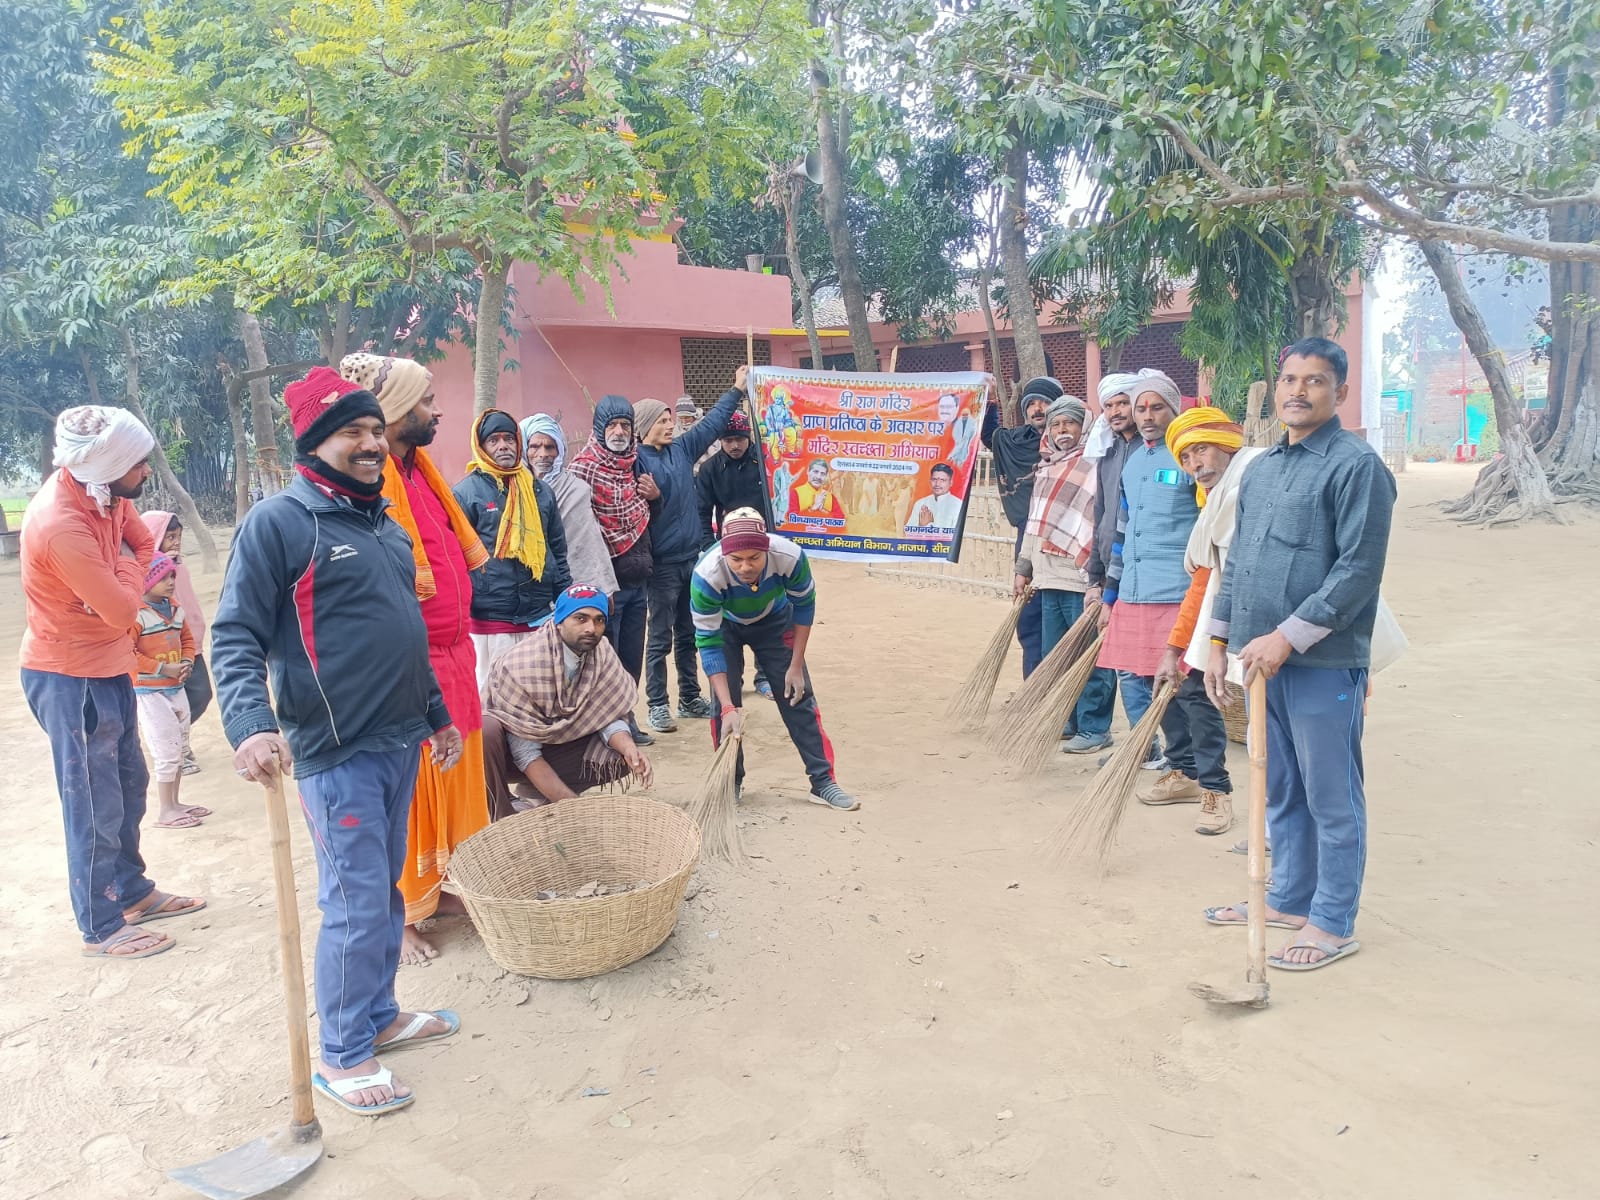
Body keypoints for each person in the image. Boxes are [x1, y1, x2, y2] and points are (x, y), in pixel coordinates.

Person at [212, 365, 464, 1116]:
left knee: (380, 890)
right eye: (350, 433)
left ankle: (377, 1014)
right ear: (316, 441)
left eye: (372, 430)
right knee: (354, 901)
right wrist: (252, 725)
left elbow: (405, 633)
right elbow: (234, 634)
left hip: (397, 739)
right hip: (334, 748)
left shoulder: (381, 521)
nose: (368, 444)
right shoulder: (281, 523)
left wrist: (437, 714)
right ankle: (344, 1054)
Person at [1203, 338, 1396, 972]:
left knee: (1331, 796)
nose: (1297, 391)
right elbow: (1237, 564)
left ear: (1339, 393)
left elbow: (1358, 570)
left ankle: (1333, 921)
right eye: (1289, 378)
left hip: (1320, 662)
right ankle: (1288, 897)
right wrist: (1218, 642)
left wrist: (1289, 636)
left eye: (1314, 381)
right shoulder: (1259, 469)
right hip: (1258, 663)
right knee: (1278, 787)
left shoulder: (1356, 466)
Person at [20, 406, 204, 960]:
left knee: (128, 786)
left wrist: (128, 566)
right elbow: (127, 607)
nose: (146, 473)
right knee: (93, 805)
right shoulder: (61, 524)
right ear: (106, 464)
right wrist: (129, 574)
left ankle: (131, 892)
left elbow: (140, 542)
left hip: (110, 668)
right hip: (68, 679)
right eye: (138, 463)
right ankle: (101, 926)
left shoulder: (107, 492)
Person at [340, 351, 490, 965]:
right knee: (409, 790)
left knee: (456, 777)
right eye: (426, 401)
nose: (437, 410)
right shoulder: (371, 489)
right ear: (395, 412)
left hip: (453, 653)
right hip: (410, 662)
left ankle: (439, 886)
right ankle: (399, 915)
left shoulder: (421, 470)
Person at [692, 509, 857, 811]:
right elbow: (708, 643)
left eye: (754, 557)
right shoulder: (706, 575)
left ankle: (823, 782)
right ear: (724, 554)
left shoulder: (790, 557)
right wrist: (729, 706)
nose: (745, 567)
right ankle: (730, 781)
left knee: (798, 697)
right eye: (736, 559)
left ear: (767, 548)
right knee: (722, 709)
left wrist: (796, 666)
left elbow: (804, 607)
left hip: (774, 618)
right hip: (725, 627)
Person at [1147, 406, 1250, 835]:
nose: (1194, 466)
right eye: (1185, 458)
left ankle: (1219, 795)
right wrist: (1175, 648)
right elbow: (1205, 582)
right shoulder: (1212, 501)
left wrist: (1208, 646)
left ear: (1226, 446)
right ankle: (1200, 783)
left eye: (1202, 450)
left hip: (1263, 620)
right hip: (1221, 615)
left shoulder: (1246, 484)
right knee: (1191, 689)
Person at [1097, 370, 1200, 791]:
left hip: (1177, 588)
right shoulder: (1134, 461)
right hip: (1136, 592)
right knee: (1145, 677)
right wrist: (1110, 594)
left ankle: (1195, 771)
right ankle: (1178, 764)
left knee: (1184, 684)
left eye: (1156, 407)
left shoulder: (1190, 456)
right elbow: (1121, 532)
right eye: (1141, 408)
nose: (1147, 416)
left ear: (1174, 409)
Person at [633, 372, 744, 734]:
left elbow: (713, 424)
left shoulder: (681, 449)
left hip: (690, 559)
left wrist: (736, 389)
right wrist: (653, 498)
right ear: (646, 426)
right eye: (663, 421)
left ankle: (689, 697)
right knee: (660, 636)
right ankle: (658, 704)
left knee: (688, 633)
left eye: (670, 420)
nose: (670, 425)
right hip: (661, 565)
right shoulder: (635, 463)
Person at [482, 585, 654, 817]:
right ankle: (502, 813)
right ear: (559, 621)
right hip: (509, 757)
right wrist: (574, 807)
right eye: (580, 618)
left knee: (620, 756)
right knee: (486, 729)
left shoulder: (601, 652)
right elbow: (525, 753)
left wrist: (629, 748)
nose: (591, 628)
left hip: (554, 744)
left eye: (598, 620)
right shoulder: (523, 664)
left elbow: (608, 716)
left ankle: (540, 797)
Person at [1011, 395, 1118, 750]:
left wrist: (1099, 576)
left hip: (1081, 577)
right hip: (1046, 575)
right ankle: (1065, 720)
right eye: (1056, 425)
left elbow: (1101, 523)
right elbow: (1033, 525)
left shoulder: (1095, 464)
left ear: (1083, 425)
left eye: (1070, 423)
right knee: (1056, 653)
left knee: (1090, 655)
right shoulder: (1046, 467)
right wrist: (1023, 568)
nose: (1062, 431)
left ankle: (1094, 727)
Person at [1084, 370, 1168, 763]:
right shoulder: (1109, 452)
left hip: (1162, 577)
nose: (1119, 412)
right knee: (1128, 667)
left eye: (1124, 404)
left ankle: (1180, 757)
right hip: (1119, 571)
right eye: (1111, 406)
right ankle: (1142, 747)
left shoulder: (1166, 451)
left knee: (1162, 669)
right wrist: (1097, 578)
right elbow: (1105, 515)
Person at [454, 409, 571, 687]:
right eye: (494, 440)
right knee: (491, 701)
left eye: (509, 438)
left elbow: (557, 550)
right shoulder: (465, 494)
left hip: (538, 617)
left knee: (539, 697)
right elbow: (457, 558)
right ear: (480, 447)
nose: (503, 445)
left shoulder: (540, 491)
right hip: (490, 622)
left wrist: (565, 602)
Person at [569, 396, 657, 747]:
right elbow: (577, 531)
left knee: (632, 656)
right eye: (612, 426)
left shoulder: (636, 465)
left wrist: (657, 496)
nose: (619, 432)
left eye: (625, 425)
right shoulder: (581, 470)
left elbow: (651, 518)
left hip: (638, 581)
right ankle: (604, 725)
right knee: (606, 656)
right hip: (603, 587)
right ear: (598, 430)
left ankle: (626, 717)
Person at [982, 376, 1063, 677]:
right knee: (1029, 619)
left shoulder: (1077, 446)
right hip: (1028, 539)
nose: (1038, 409)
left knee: (1065, 620)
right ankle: (1033, 691)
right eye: (1032, 404)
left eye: (1045, 402)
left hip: (1067, 542)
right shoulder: (1015, 441)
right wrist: (989, 400)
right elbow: (989, 434)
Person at [695, 410, 775, 700]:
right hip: (728, 552)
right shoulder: (710, 470)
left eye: (739, 439)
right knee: (731, 614)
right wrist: (707, 547)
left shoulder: (765, 464)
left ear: (749, 438)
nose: (734, 445)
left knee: (766, 609)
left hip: (763, 550)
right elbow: (702, 512)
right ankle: (734, 679)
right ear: (720, 441)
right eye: (727, 439)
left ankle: (765, 676)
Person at [131, 552, 201, 830]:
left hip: (176, 687)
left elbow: (187, 638)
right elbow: (128, 653)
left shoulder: (175, 608)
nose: (172, 581)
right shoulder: (136, 615)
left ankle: (175, 803)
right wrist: (162, 669)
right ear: (146, 581)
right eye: (163, 577)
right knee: (166, 750)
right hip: (151, 693)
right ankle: (165, 810)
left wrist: (186, 660)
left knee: (179, 745)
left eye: (172, 575)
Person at [521, 414, 621, 604]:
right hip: (528, 590)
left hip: (576, 584)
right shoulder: (512, 490)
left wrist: (603, 587)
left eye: (550, 447)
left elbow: (589, 544)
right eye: (534, 446)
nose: (543, 454)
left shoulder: (576, 489)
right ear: (524, 449)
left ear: (560, 450)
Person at [141, 511, 210, 774]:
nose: (175, 542)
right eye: (169, 536)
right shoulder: (142, 569)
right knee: (167, 703)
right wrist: (155, 565)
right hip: (160, 649)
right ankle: (174, 747)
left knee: (201, 693)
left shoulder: (179, 567)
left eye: (178, 536)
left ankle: (174, 740)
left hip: (189, 642)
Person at [903, 462, 962, 533]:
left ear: (951, 483)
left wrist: (928, 526)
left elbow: (955, 536)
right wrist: (921, 526)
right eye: (934, 479)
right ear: (930, 481)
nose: (937, 484)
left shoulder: (958, 505)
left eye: (942, 480)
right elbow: (907, 532)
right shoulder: (921, 503)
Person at [786, 458, 846, 525]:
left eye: (822, 474)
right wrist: (812, 508)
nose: (818, 477)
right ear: (808, 471)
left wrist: (823, 511)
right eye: (815, 472)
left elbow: (841, 521)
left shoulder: (830, 497)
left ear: (826, 476)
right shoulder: (795, 493)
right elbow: (790, 520)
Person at [948, 398, 980, 468]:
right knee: (957, 453)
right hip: (958, 441)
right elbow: (955, 432)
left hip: (966, 441)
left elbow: (973, 431)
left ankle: (953, 459)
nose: (965, 416)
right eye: (963, 414)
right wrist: (958, 439)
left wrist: (967, 437)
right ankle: (951, 457)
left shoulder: (972, 422)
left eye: (966, 414)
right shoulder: (958, 422)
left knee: (963, 455)